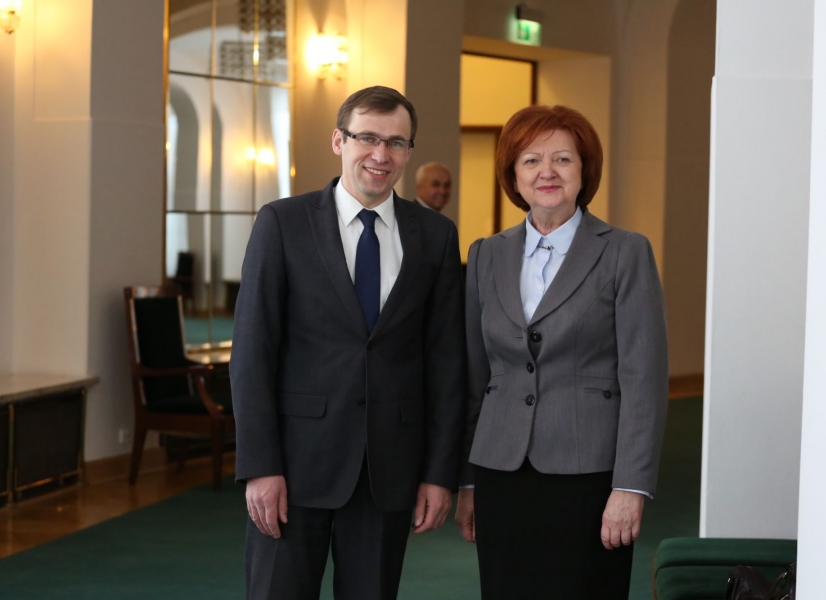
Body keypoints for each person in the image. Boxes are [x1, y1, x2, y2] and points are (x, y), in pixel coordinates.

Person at [231, 86, 466, 600]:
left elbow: (447, 363)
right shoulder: (282, 223)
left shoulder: (435, 236)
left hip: (389, 471)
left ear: (408, 152)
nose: (381, 154)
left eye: (396, 143)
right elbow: (251, 354)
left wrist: (439, 473)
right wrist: (260, 466)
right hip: (294, 466)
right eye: (367, 138)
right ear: (339, 141)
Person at [454, 105, 668, 600]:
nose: (546, 172)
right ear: (513, 175)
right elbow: (474, 377)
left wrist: (631, 486)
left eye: (562, 159)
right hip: (500, 471)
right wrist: (467, 481)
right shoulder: (486, 254)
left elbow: (644, 378)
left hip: (588, 474)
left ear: (584, 170)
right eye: (530, 160)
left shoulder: (625, 251)